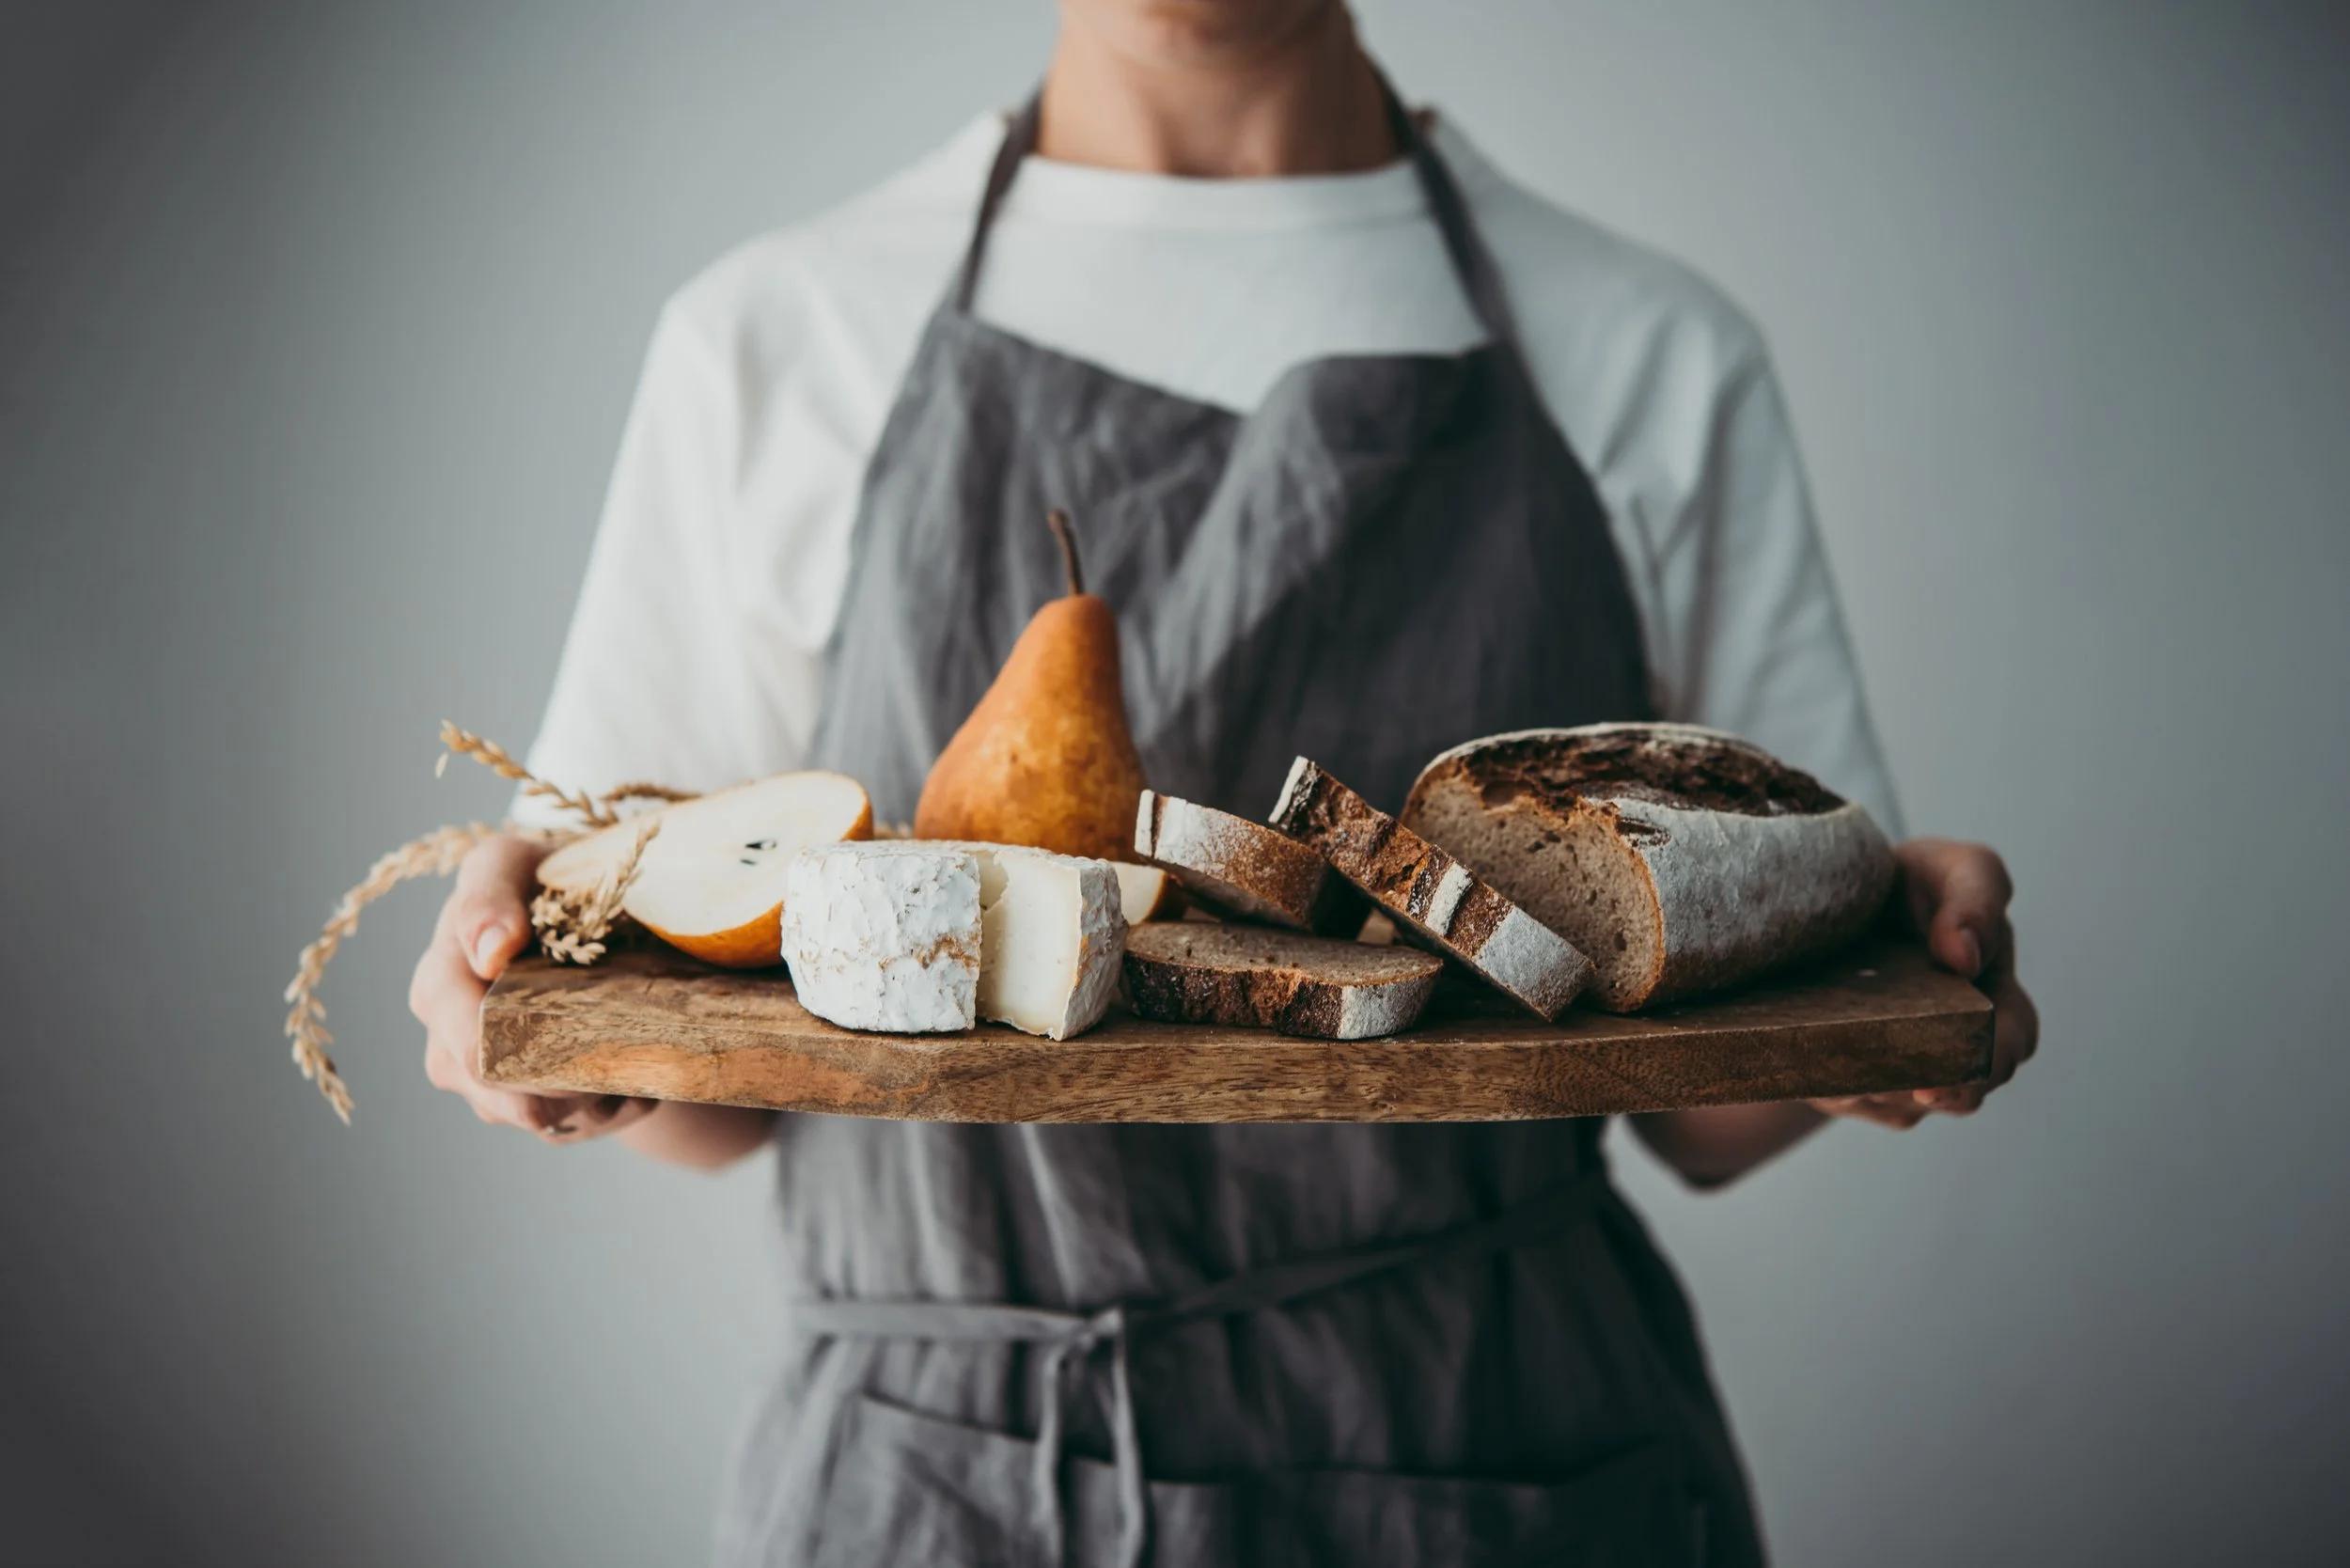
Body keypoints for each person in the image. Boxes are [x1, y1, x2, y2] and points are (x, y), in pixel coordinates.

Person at [408, 2, 2038, 1562]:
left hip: (1507, 1449)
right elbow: (707, 1098)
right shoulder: (772, 340)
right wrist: (558, 1022)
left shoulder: (1651, 350)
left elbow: (1716, 1109)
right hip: (941, 1472)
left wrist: (1878, 1023)